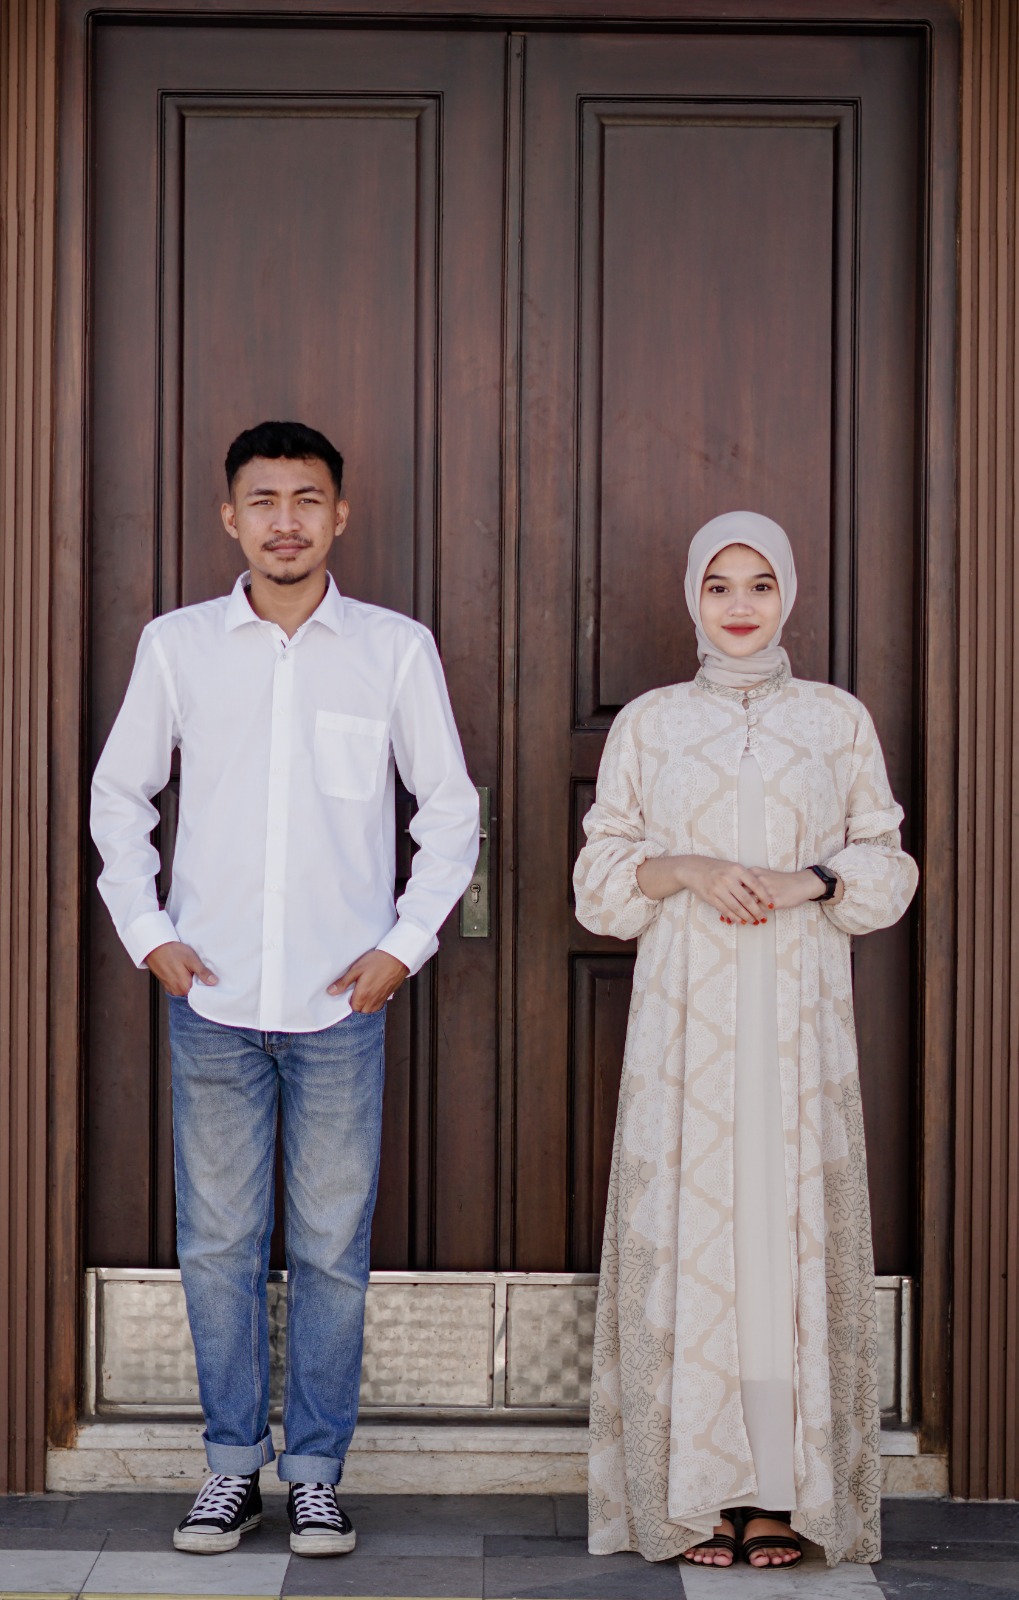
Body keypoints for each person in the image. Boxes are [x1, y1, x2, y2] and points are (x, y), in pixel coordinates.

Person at [90, 420, 479, 1557]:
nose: (285, 521)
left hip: (338, 1003)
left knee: (328, 1249)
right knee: (217, 1243)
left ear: (339, 515)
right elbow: (120, 798)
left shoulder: (393, 649)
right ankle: (229, 1468)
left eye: (307, 499)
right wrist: (148, 932)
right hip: (210, 997)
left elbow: (449, 810)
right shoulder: (177, 647)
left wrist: (403, 944)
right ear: (230, 517)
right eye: (262, 500)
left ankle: (313, 1473)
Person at [574, 511, 917, 1570]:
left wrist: (806, 880)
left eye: (759, 584)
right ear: (692, 595)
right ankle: (697, 1489)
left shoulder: (834, 720)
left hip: (798, 1020)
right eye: (717, 584)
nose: (737, 605)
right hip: (688, 1026)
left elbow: (885, 864)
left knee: (780, 1235)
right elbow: (600, 882)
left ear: (787, 595)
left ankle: (778, 1492)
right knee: (698, 1232)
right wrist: (684, 868)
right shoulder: (650, 723)